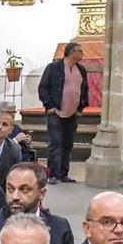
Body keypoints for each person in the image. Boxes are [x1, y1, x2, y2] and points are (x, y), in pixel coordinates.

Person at [34, 43, 91, 184]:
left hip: (73, 113)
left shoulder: (81, 69)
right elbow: (43, 87)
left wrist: (81, 107)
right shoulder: (54, 67)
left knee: (67, 144)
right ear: (71, 52)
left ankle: (63, 173)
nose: (82, 54)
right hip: (56, 111)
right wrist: (49, 105)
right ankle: (52, 174)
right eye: (80, 51)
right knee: (55, 143)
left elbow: (84, 89)